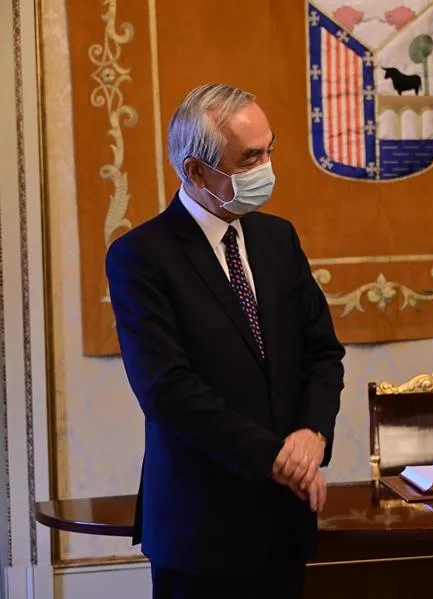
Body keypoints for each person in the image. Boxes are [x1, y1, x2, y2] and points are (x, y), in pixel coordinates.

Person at [106, 83, 345, 599]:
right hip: (201, 530)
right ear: (196, 171)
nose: (267, 168)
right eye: (250, 157)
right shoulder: (140, 257)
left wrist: (312, 433)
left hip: (284, 525)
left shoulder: (278, 238)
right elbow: (167, 390)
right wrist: (276, 457)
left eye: (270, 150)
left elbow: (322, 352)